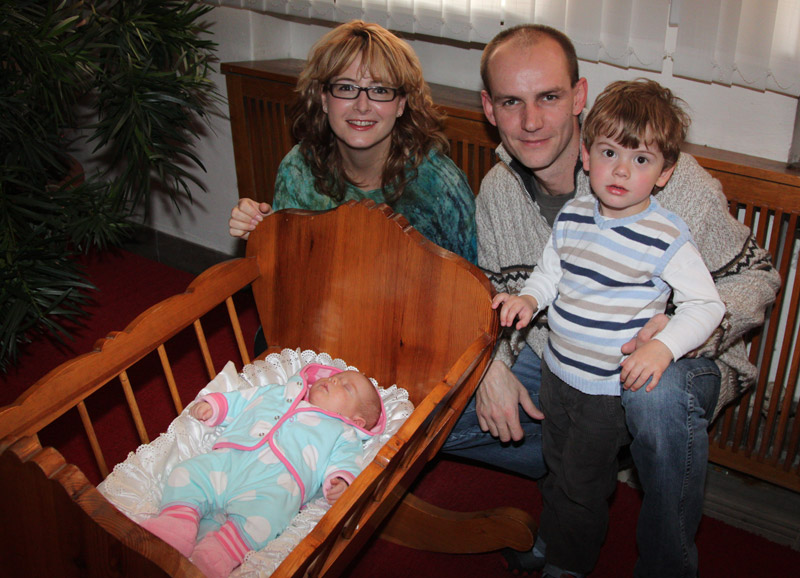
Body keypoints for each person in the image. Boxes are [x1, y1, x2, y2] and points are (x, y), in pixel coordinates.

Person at [471, 24, 780, 578]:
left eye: (549, 97)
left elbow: (757, 277)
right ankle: (570, 497)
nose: (532, 121)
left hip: (676, 359)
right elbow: (504, 292)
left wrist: (675, 333)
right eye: (512, 102)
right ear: (489, 109)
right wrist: (492, 369)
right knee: (443, 411)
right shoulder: (499, 191)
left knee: (653, 398)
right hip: (563, 356)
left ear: (579, 96)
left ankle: (662, 564)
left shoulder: (671, 182)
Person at [492, 79, 726, 578]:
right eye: (609, 152)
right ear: (586, 154)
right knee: (556, 468)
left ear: (665, 173)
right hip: (558, 373)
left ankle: (567, 564)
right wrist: (528, 298)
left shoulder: (665, 235)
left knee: (583, 485)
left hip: (605, 390)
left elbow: (707, 305)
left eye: (641, 159)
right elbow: (550, 273)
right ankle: (551, 539)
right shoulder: (574, 215)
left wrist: (664, 347)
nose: (621, 170)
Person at [229, 20, 476, 266]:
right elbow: (289, 273)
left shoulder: (440, 186)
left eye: (380, 90)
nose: (362, 105)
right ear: (324, 98)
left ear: (401, 104)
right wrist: (265, 234)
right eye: (346, 87)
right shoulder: (299, 171)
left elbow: (471, 284)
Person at [140, 363, 385, 578]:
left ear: (356, 420)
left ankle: (220, 551)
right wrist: (217, 406)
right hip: (230, 459)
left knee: (268, 516)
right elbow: (244, 399)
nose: (334, 380)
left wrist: (341, 480)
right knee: (188, 473)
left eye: (346, 387)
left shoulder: (343, 433)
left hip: (276, 483)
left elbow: (347, 461)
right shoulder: (281, 393)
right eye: (336, 377)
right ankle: (176, 523)